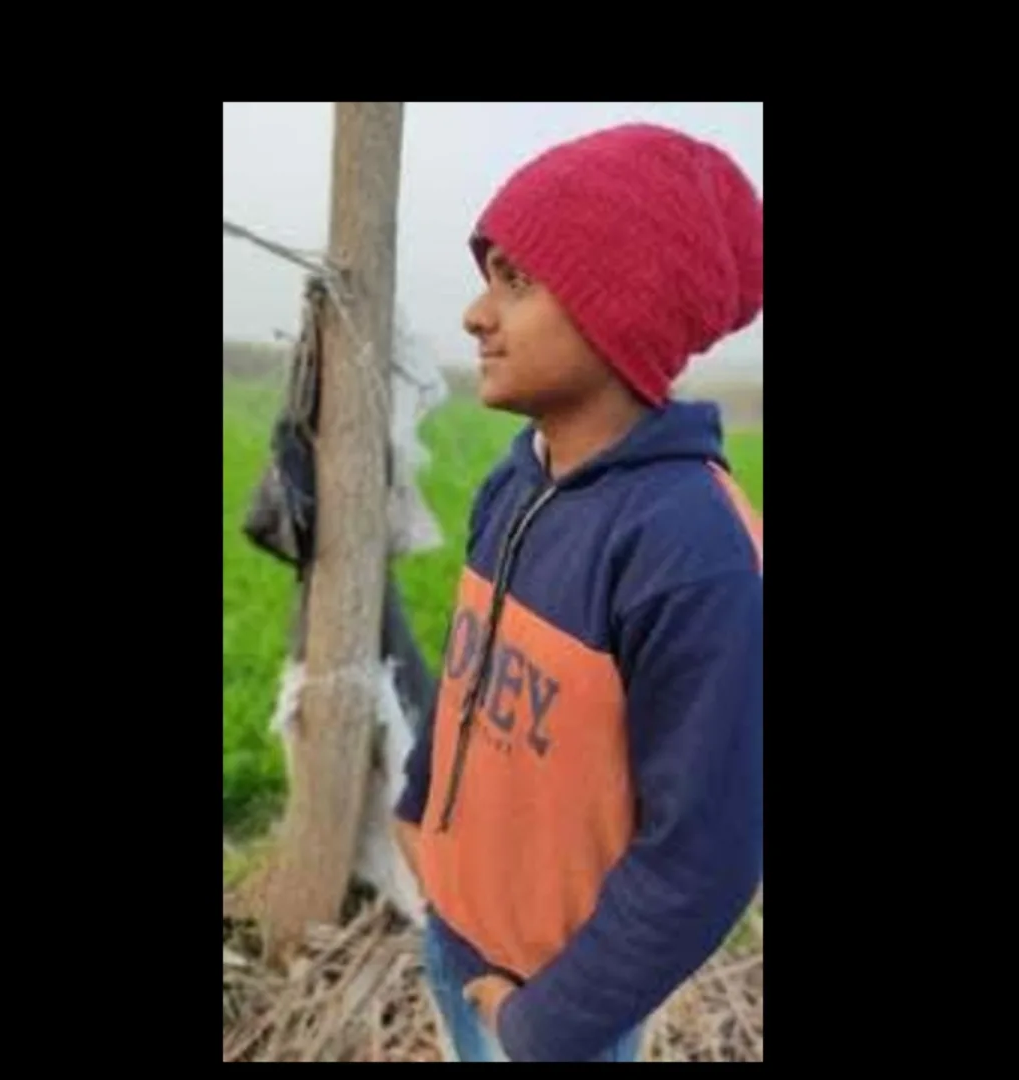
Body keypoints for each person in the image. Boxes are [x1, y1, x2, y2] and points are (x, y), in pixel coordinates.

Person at [393, 122, 763, 1062]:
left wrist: (543, 1025)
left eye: (514, 280)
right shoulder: (515, 482)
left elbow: (704, 855)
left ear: (622, 310)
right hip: (454, 933)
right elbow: (471, 675)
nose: (476, 314)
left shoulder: (695, 553)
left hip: (551, 1006)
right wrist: (415, 806)